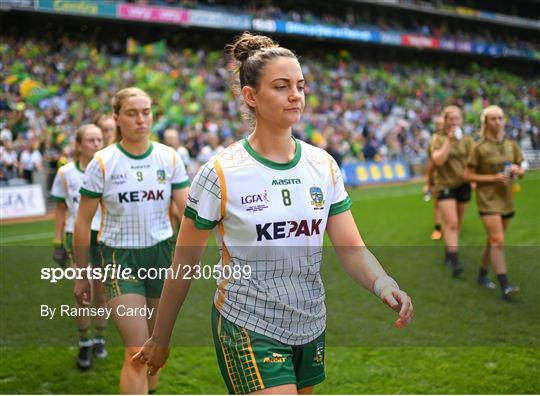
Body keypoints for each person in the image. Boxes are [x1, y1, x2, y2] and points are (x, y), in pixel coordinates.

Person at [133, 32, 413, 395]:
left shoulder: (323, 165)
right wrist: (161, 336)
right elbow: (184, 262)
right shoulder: (219, 173)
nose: (295, 94)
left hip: (310, 322)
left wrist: (384, 283)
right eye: (281, 86)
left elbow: (351, 248)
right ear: (251, 96)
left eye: (300, 85)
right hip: (247, 323)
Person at [73, 87, 189, 394]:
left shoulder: (169, 157)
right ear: (116, 118)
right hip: (119, 260)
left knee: (156, 350)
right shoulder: (102, 162)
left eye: (146, 112)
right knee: (137, 351)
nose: (141, 119)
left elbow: (189, 213)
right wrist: (81, 272)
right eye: (132, 113)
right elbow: (83, 220)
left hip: (161, 257)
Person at [50, 123, 108, 370]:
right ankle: (85, 342)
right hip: (79, 236)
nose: (96, 144)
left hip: (104, 236)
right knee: (84, 294)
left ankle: (99, 338)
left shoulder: (108, 169)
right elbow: (62, 209)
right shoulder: (66, 173)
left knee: (102, 294)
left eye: (99, 139)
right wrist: (57, 241)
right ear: (79, 144)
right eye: (91, 140)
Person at [464, 105, 524, 299]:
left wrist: (517, 170)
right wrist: (493, 178)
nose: (498, 122)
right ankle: (505, 286)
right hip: (488, 200)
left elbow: (521, 170)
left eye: (500, 118)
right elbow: (467, 175)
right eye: (493, 119)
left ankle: (481, 274)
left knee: (493, 240)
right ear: (485, 122)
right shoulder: (479, 147)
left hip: (507, 199)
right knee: (498, 240)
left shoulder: (511, 145)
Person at [430, 105, 473, 276]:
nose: (455, 122)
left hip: (463, 184)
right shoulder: (438, 139)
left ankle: (449, 250)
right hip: (445, 185)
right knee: (452, 222)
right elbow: (438, 161)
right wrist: (449, 140)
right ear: (445, 121)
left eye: (457, 118)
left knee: (458, 223)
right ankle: (455, 262)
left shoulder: (467, 140)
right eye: (451, 119)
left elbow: (473, 160)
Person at [425, 116, 444, 241]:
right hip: (439, 177)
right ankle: (438, 228)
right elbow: (431, 162)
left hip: (454, 176)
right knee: (437, 203)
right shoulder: (434, 140)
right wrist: (429, 181)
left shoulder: (455, 138)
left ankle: (450, 226)